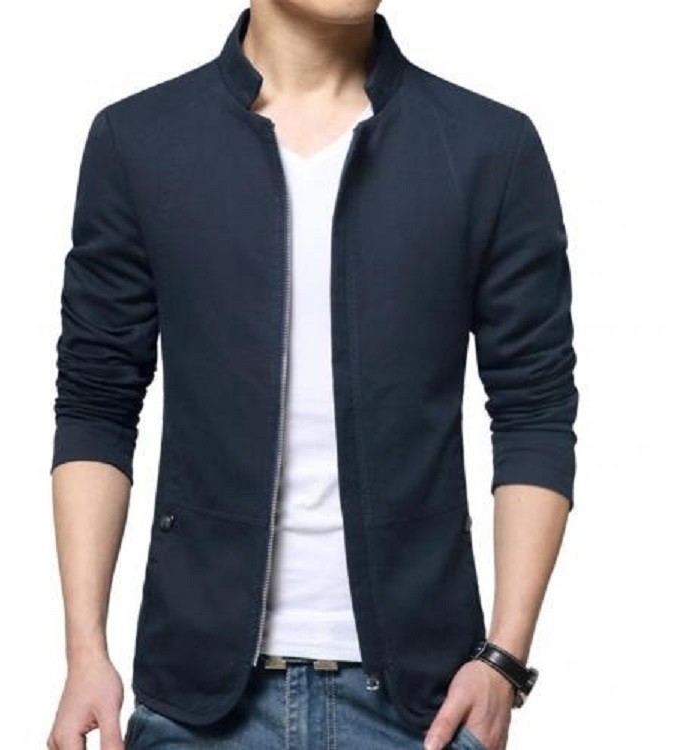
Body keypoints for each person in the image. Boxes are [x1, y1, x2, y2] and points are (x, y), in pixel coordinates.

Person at [47, 2, 578, 749]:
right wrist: (85, 652)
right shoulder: (140, 140)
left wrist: (504, 660)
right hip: (197, 707)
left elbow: (534, 410)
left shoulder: (488, 147)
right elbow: (98, 403)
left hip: (420, 710)